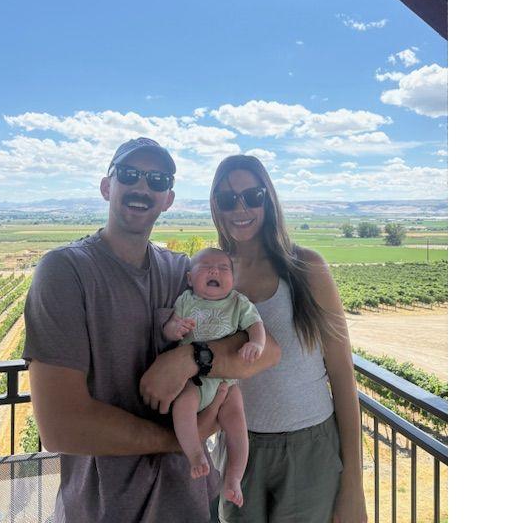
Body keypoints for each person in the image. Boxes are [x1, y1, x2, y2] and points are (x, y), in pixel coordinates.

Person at [22, 138, 281, 523]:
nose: (142, 187)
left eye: (157, 180)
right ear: (107, 186)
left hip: (192, 501)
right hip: (103, 510)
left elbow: (269, 350)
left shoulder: (179, 272)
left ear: (168, 199)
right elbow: (60, 427)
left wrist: (191, 358)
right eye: (130, 175)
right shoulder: (66, 272)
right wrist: (179, 441)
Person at [206, 155, 368, 523]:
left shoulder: (306, 268)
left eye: (253, 196)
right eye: (228, 199)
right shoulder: (212, 274)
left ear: (269, 199)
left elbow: (342, 376)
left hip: (309, 450)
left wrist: (353, 485)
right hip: (239, 448)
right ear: (216, 205)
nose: (241, 208)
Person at [162, 247, 266, 507]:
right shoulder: (186, 300)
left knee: (237, 424)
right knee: (183, 405)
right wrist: (174, 329)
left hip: (226, 381)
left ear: (233, 278)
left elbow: (256, 325)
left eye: (223, 268)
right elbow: (169, 326)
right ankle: (195, 454)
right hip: (192, 380)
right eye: (206, 266)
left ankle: (233, 478)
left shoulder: (237, 302)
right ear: (189, 279)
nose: (214, 271)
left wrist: (256, 343)